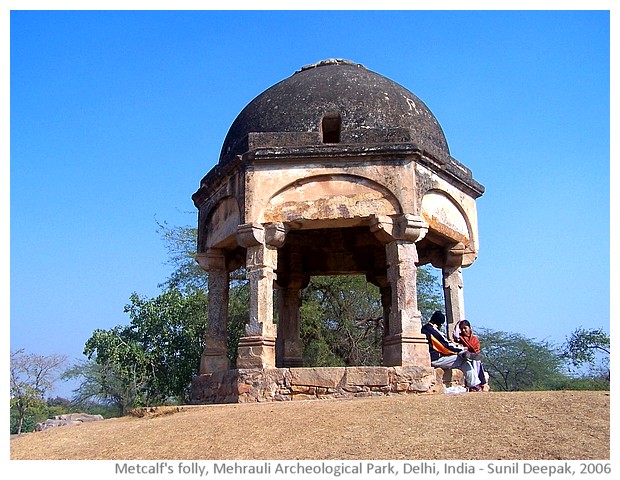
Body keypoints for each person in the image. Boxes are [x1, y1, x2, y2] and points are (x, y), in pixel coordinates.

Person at [421, 311, 482, 392]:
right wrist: (460, 349)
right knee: (463, 360)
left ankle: (464, 355)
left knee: (463, 358)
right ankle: (474, 385)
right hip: (436, 359)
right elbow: (444, 347)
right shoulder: (432, 331)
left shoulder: (427, 328)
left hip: (439, 356)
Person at [454, 319, 490, 391]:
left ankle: (479, 384)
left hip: (474, 357)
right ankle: (474, 384)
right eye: (462, 328)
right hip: (464, 357)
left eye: (465, 328)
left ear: (469, 328)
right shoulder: (460, 338)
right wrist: (457, 324)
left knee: (476, 362)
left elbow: (476, 349)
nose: (464, 330)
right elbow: (455, 334)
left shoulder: (474, 339)